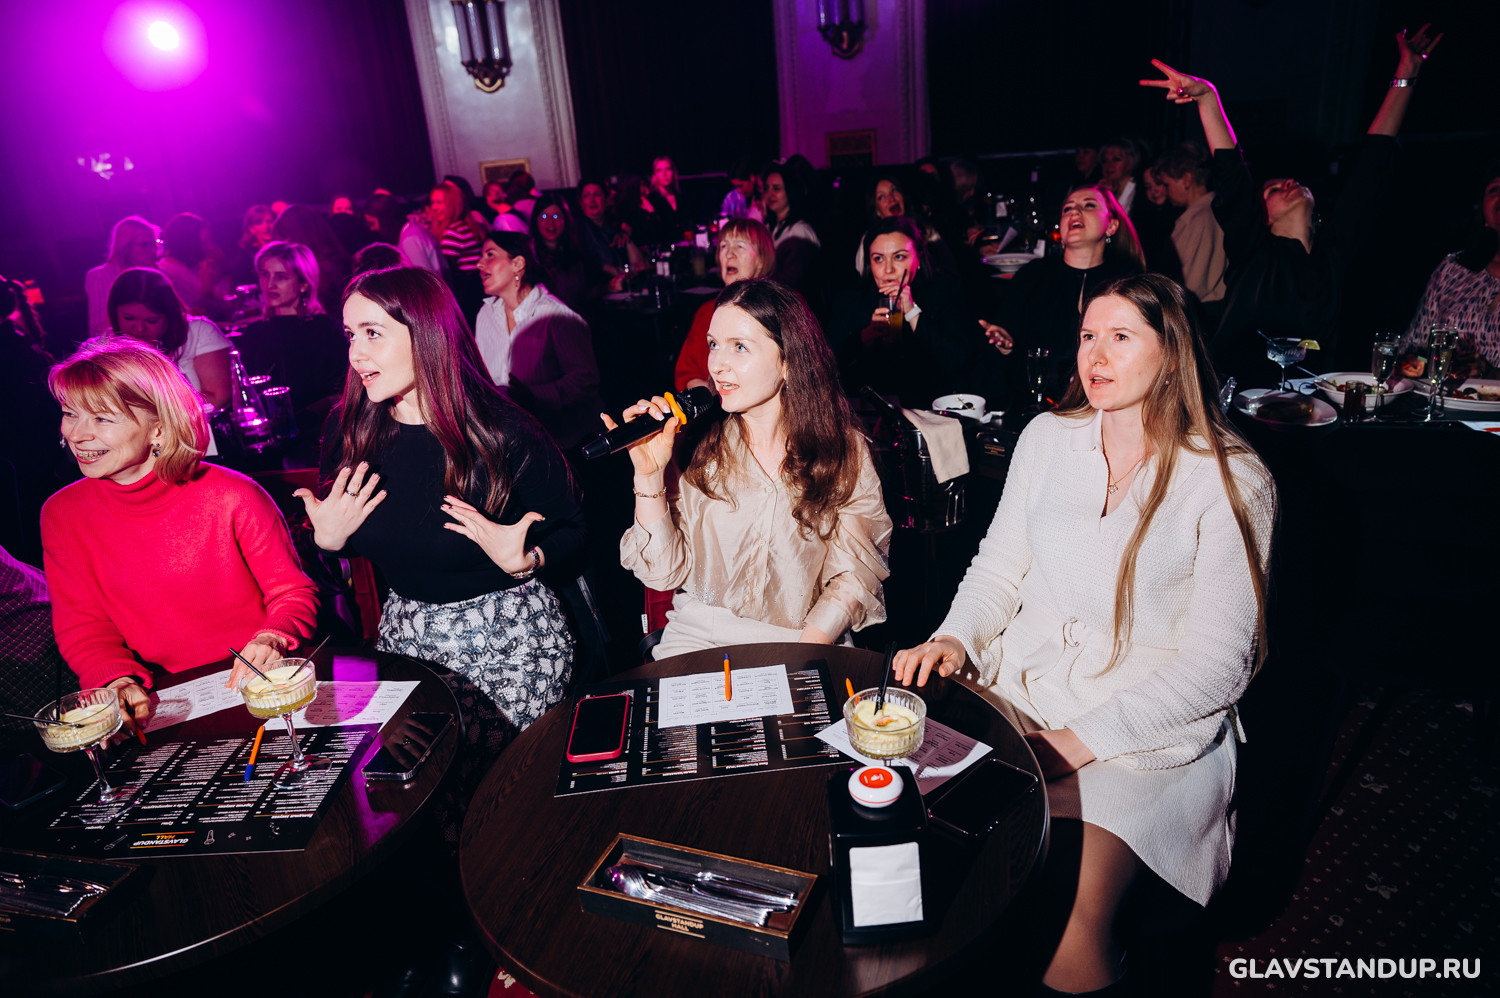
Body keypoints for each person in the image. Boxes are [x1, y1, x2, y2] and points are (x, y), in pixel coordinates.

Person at [894, 273, 1275, 996]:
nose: (1094, 356)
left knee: (1069, 913)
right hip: (1025, 688)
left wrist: (1074, 743)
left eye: (1120, 337)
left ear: (1171, 352)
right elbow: (998, 568)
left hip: (1152, 733)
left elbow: (1219, 667)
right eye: (1087, 336)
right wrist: (956, 638)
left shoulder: (1230, 479)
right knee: (914, 837)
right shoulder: (1047, 438)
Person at [295, 266, 582, 833]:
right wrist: (324, 544)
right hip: (407, 640)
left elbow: (577, 530)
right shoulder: (351, 431)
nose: (355, 353)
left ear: (425, 335)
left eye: (373, 333)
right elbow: (322, 576)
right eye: (350, 334)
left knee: (503, 812)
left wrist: (528, 560)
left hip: (510, 641)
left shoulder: (499, 431)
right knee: (421, 814)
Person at [42, 338, 319, 735]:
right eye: (71, 413)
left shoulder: (232, 495)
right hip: (161, 703)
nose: (78, 434)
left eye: (102, 419)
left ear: (158, 428)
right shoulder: (62, 513)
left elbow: (292, 592)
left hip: (260, 688)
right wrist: (116, 680)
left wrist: (273, 637)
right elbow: (83, 625)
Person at [1141, 24, 1442, 383]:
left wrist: (1406, 72)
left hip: (1315, 401)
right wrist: (1208, 98)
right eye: (1272, 189)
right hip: (1243, 396)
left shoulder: (1332, 253)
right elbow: (1232, 174)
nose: (1288, 183)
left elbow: (1372, 166)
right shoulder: (1254, 249)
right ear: (1263, 217)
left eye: (1291, 182)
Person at [611, 278, 892, 660]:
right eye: (714, 344)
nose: (717, 364)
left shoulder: (841, 450)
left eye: (739, 347)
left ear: (789, 361)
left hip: (806, 637)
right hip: (700, 637)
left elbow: (854, 574)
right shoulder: (697, 444)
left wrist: (801, 655)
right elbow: (663, 572)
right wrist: (648, 474)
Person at [981, 186, 1146, 401]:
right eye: (1067, 209)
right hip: (1036, 404)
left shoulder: (1128, 281)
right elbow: (1006, 343)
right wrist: (1005, 345)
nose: (1075, 211)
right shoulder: (1032, 276)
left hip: (1107, 402)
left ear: (1112, 226)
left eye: (1089, 205)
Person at [473, 232, 603, 452]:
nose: (479, 264)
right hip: (512, 442)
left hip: (565, 445)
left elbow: (586, 380)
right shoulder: (486, 314)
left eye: (490, 255)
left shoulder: (556, 316)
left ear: (517, 264)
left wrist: (533, 395)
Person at [830, 216, 976, 407]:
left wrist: (913, 313)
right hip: (868, 414)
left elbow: (958, 362)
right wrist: (866, 336)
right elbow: (830, 369)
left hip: (933, 410)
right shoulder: (851, 302)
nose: (888, 269)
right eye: (878, 259)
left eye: (899, 257)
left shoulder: (945, 293)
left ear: (918, 258)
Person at [234, 241, 349, 442]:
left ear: (304, 284)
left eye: (281, 276)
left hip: (320, 435)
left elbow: (345, 391)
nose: (270, 284)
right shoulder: (254, 334)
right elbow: (246, 394)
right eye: (264, 274)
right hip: (269, 438)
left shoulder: (326, 330)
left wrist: (305, 416)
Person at [1401, 165, 1500, 375]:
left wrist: (1490, 373)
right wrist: (1413, 362)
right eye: (1495, 189)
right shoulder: (1453, 269)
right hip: (1444, 393)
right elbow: (1414, 346)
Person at [673, 218, 777, 393]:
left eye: (740, 246)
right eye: (723, 246)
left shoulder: (781, 307)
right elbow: (687, 373)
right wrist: (711, 399)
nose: (729, 254)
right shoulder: (706, 312)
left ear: (761, 258)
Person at [104, 267, 232, 409]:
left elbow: (219, 396)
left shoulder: (198, 332)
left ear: (169, 316)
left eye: (152, 321)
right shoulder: (102, 347)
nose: (140, 328)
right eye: (129, 318)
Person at [1152, 143, 1226, 310]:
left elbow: (1191, 282)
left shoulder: (1200, 218)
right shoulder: (1211, 211)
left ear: (1187, 179)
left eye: (1167, 184)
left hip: (1203, 311)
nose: (1165, 191)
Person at [85, 216, 159, 334]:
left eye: (153, 245)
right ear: (125, 246)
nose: (153, 250)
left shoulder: (154, 274)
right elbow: (99, 326)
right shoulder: (100, 276)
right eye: (144, 245)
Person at [430, 181, 490, 323]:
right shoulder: (468, 226)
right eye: (432, 202)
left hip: (468, 295)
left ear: (453, 204)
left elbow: (447, 271)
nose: (434, 208)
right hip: (479, 292)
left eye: (439, 202)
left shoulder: (454, 232)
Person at [158, 212, 228, 319]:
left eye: (210, 241)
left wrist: (223, 268)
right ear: (186, 243)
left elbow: (229, 302)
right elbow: (190, 315)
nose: (210, 247)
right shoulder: (166, 272)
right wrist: (207, 289)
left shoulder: (199, 265)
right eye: (204, 243)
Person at [528, 195, 591, 313]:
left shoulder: (576, 253)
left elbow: (584, 294)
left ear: (565, 220)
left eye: (556, 216)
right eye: (544, 216)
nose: (550, 222)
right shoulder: (529, 256)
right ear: (536, 221)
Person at [763, 167, 820, 291]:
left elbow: (795, 282)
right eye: (766, 188)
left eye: (776, 188)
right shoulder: (769, 228)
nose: (769, 194)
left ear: (790, 191)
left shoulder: (799, 231)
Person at [231, 204, 277, 285]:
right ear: (251, 229)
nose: (266, 226)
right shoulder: (246, 257)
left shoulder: (284, 250)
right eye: (259, 223)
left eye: (269, 221)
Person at [1098, 138, 1142, 215]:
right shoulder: (1103, 189)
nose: (1109, 165)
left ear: (1131, 162)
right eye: (1105, 161)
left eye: (1116, 159)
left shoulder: (1139, 193)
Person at [646, 155, 683, 241]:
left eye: (668, 169)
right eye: (659, 170)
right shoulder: (651, 199)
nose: (664, 174)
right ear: (654, 175)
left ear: (674, 172)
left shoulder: (682, 197)